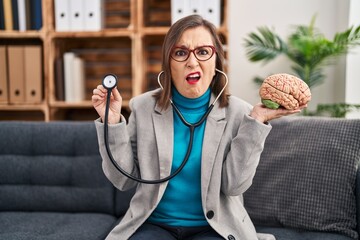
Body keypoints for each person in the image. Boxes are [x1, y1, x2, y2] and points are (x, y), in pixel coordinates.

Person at [92, 15, 305, 240]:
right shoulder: (143, 107)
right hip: (154, 224)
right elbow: (123, 180)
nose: (192, 62)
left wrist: (257, 121)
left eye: (203, 52)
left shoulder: (240, 112)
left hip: (214, 226)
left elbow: (234, 187)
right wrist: (112, 122)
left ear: (216, 64)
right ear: (169, 64)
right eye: (181, 53)